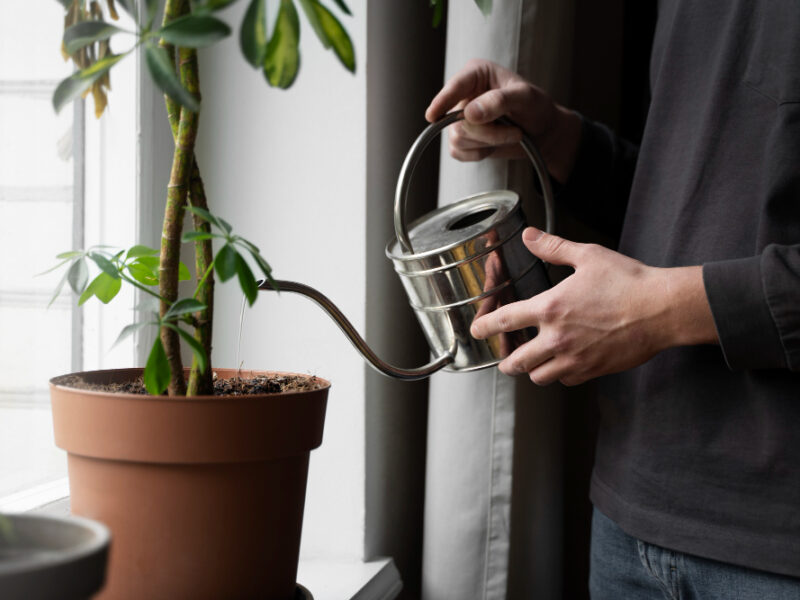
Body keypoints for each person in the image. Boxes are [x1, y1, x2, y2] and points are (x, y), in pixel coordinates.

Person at [425, 2, 800, 598]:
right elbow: (696, 202)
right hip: (631, 517)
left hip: (776, 547)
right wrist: (556, 136)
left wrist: (658, 308)